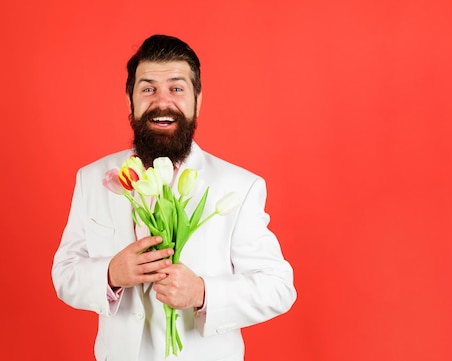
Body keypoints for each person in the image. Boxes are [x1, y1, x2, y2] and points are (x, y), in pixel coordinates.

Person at [52, 34, 297, 361]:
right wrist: (110, 273)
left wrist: (203, 293)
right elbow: (64, 274)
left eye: (177, 88)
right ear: (130, 101)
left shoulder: (240, 186)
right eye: (148, 88)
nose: (162, 101)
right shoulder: (94, 179)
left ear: (197, 100)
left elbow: (279, 289)